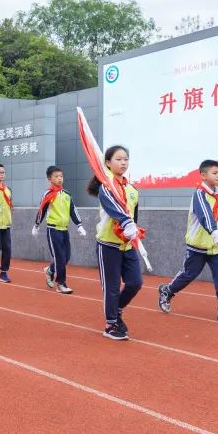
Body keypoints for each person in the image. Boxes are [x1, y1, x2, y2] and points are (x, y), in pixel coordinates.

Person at [158, 160, 218, 324]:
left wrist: (217, 237)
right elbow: (205, 214)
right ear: (203, 175)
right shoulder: (199, 194)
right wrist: (214, 231)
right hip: (198, 246)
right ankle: (167, 291)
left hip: (216, 246)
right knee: (188, 275)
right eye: (214, 173)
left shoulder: (217, 194)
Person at [90, 145, 143, 341]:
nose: (123, 163)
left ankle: (117, 309)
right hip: (108, 245)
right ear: (108, 163)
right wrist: (126, 222)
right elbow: (114, 209)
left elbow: (133, 215)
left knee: (135, 282)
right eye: (119, 159)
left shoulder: (133, 190)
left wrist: (133, 229)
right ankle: (111, 324)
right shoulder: (106, 186)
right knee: (111, 287)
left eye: (126, 159)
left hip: (127, 245)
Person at [33, 165, 88, 295]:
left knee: (66, 257)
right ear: (49, 179)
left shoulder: (67, 194)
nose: (59, 179)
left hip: (64, 230)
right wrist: (36, 225)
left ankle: (50, 270)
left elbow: (73, 210)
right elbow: (42, 210)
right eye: (56, 176)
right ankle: (61, 284)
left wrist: (79, 225)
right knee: (59, 258)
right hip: (53, 230)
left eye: (61, 176)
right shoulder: (48, 194)